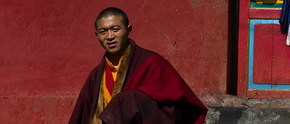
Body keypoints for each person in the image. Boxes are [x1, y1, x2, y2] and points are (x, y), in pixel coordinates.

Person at [69, 7, 207, 124]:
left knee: (129, 99)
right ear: (97, 35)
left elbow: (178, 108)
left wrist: (129, 103)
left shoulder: (152, 63)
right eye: (103, 32)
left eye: (115, 29)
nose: (109, 36)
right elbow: (82, 114)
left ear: (129, 30)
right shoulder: (97, 75)